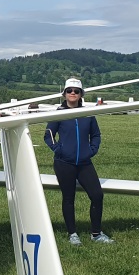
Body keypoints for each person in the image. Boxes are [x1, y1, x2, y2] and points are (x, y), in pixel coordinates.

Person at [43, 78, 113, 246]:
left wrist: (92, 150)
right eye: (69, 90)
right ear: (64, 94)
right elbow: (48, 135)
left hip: (84, 162)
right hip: (64, 163)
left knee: (97, 195)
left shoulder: (87, 114)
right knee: (69, 198)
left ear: (81, 94)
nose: (72, 93)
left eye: (76, 91)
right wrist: (59, 150)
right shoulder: (58, 113)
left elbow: (95, 135)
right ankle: (72, 234)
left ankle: (96, 233)